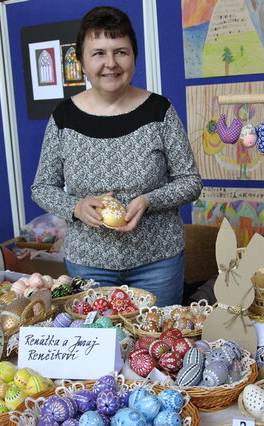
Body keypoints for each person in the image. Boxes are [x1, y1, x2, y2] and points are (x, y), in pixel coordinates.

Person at [31, 6, 203, 307]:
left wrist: (148, 200)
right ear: (81, 61)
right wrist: (77, 206)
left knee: (157, 346)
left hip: (158, 261)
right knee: (99, 348)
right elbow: (41, 188)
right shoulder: (64, 117)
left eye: (120, 52)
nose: (110, 63)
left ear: (133, 56)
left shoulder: (159, 111)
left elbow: (190, 182)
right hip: (88, 263)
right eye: (98, 53)